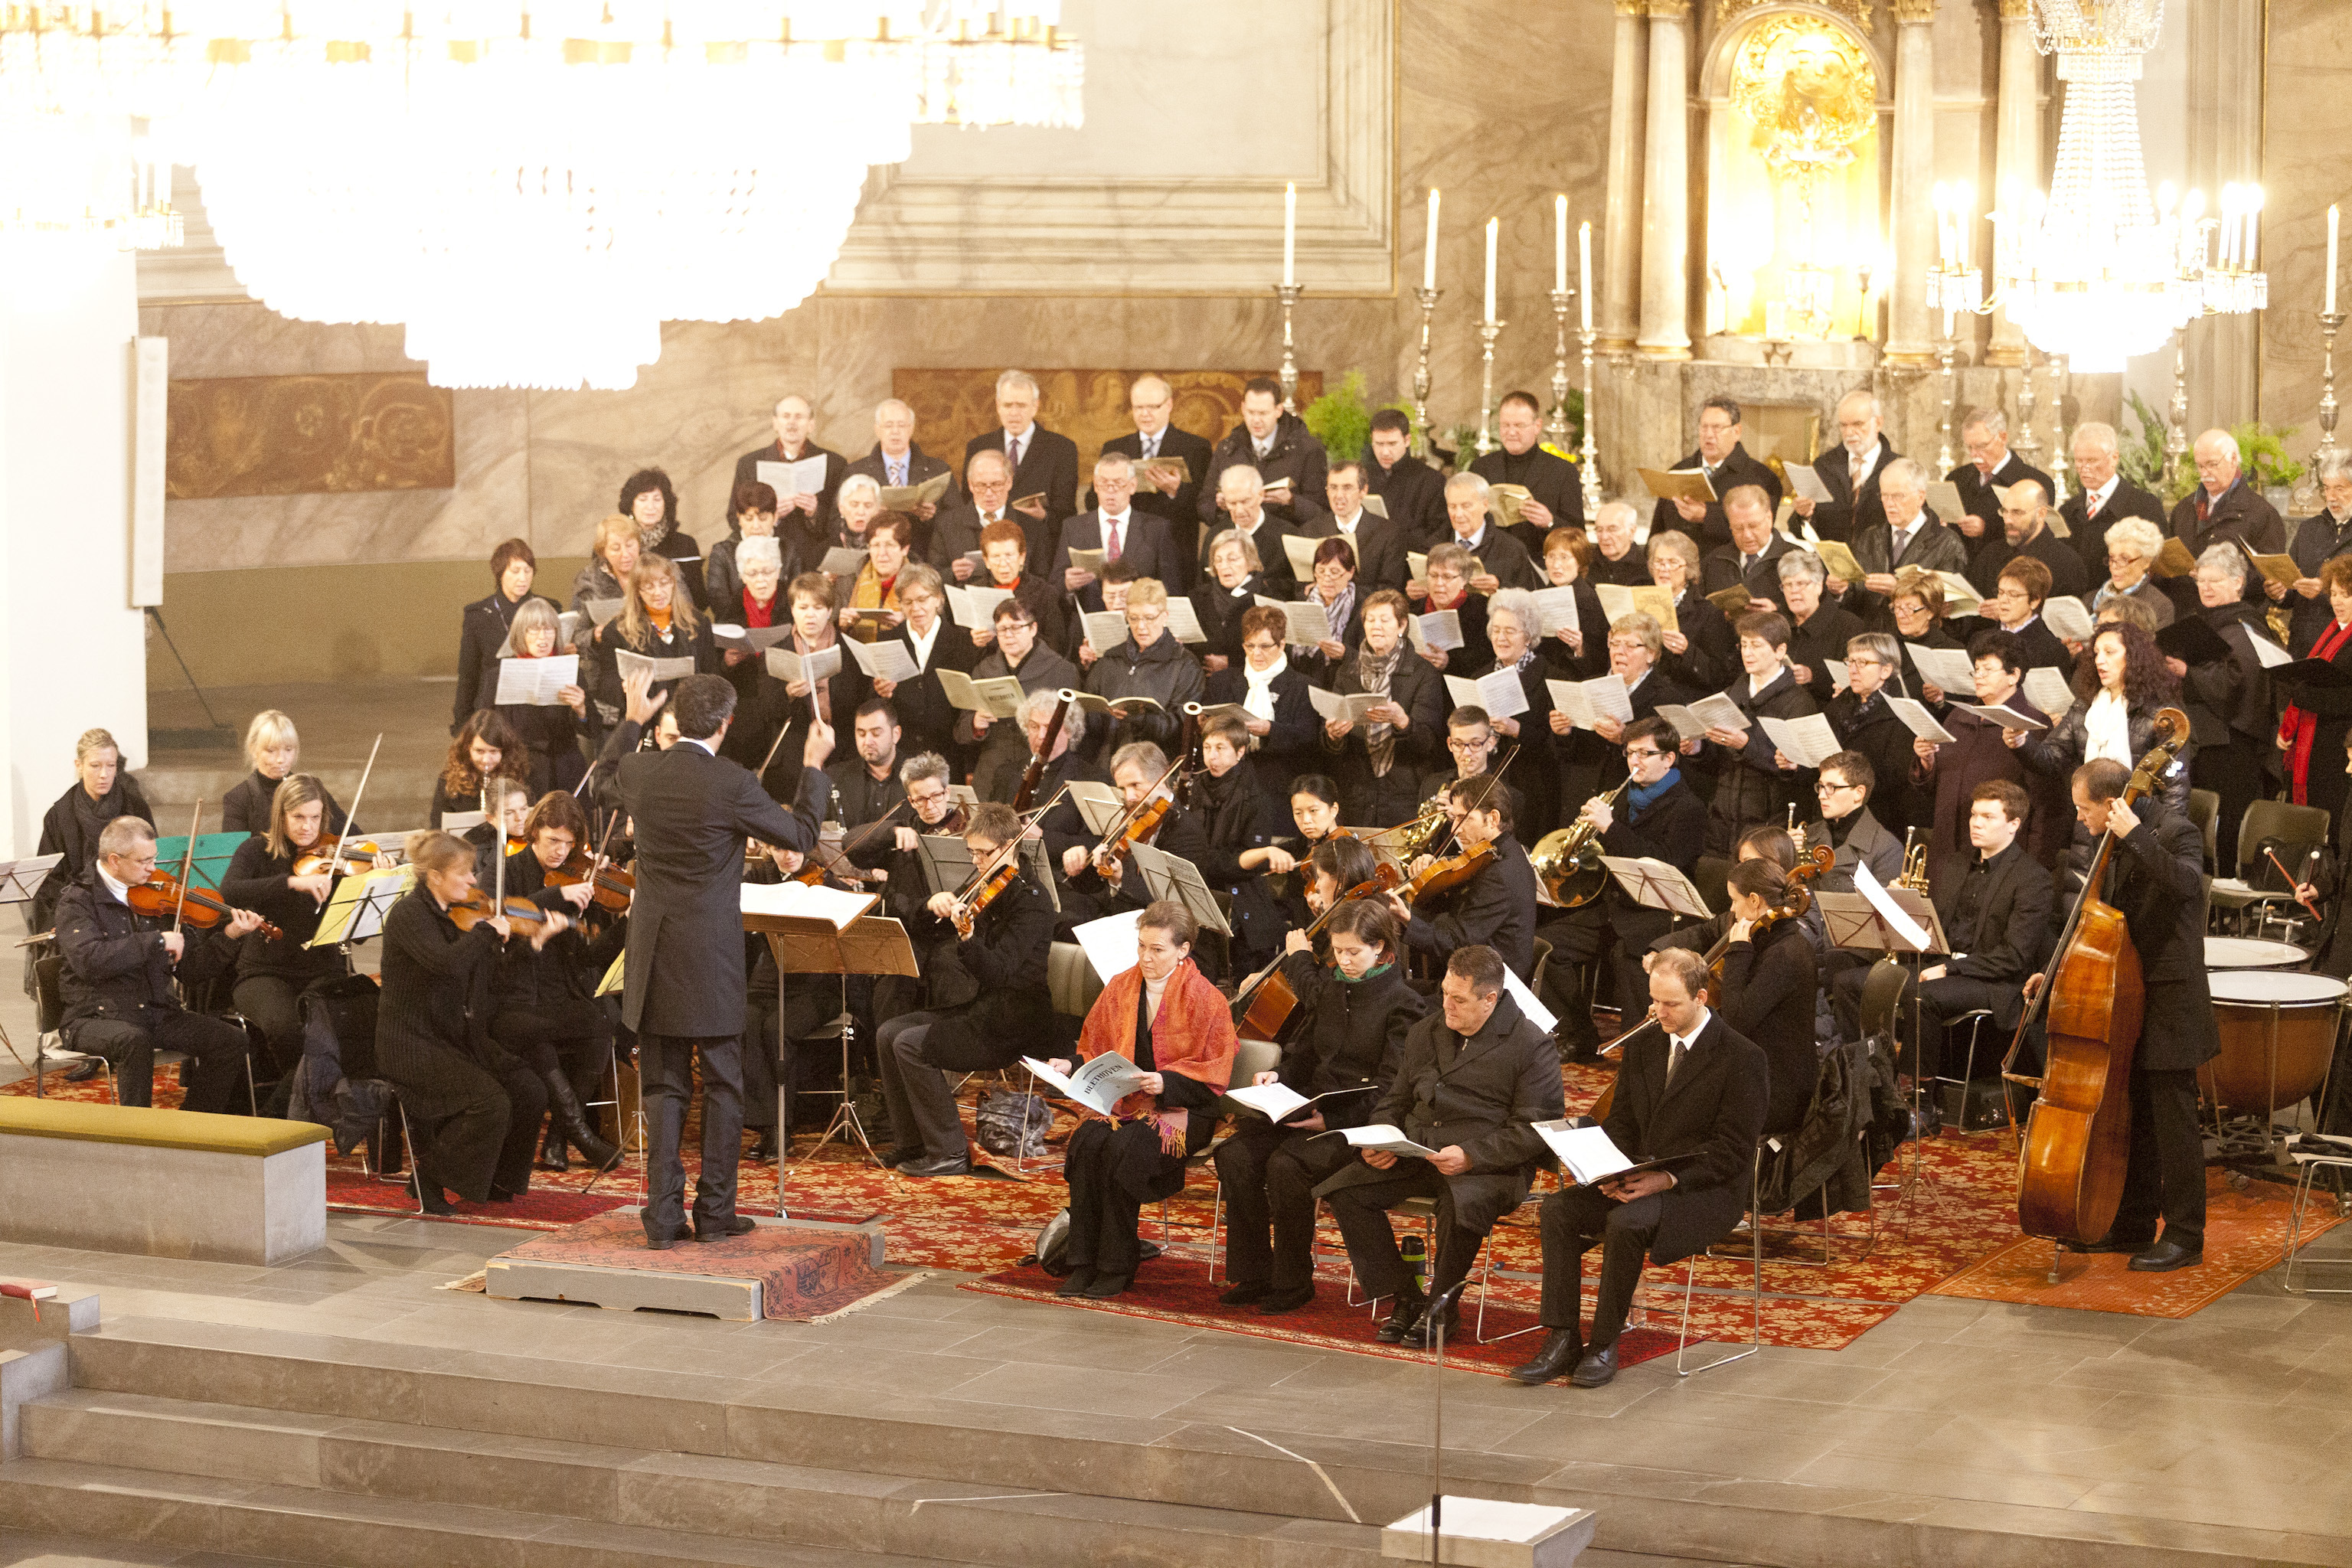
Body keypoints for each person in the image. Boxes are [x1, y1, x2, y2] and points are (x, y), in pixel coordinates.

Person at [593, 670, 830, 1247]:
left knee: (664, 1086)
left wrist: (630, 717)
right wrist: (815, 763)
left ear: (674, 717)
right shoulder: (732, 783)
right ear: (726, 724)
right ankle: (716, 1213)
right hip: (712, 956)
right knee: (724, 1085)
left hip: (652, 953)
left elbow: (601, 777)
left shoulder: (642, 769)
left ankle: (663, 1218)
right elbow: (799, 835)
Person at [1510, 947, 1766, 1388]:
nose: (1658, 1012)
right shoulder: (1646, 1043)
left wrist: (1664, 1178)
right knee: (1557, 1211)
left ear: (1702, 997)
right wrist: (1608, 1170)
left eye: (1670, 1004)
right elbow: (1625, 1123)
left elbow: (1733, 1152)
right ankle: (1562, 1337)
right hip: (1638, 1175)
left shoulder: (1741, 1057)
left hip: (1702, 1190)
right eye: (1654, 1001)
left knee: (1628, 1223)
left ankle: (1604, 1343)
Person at [1325, 944, 1563, 1348]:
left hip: (1489, 1165)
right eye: (1445, 994)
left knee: (1459, 1202)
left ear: (1491, 999)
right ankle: (1406, 1297)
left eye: (1459, 999)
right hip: (1419, 1150)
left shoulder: (1530, 1044)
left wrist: (1472, 1155)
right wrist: (1381, 1137)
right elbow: (1395, 1100)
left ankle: (1442, 1308)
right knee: (1346, 1192)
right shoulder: (1428, 1030)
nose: (1447, 1006)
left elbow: (1535, 1129)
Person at [2043, 760, 2216, 1270]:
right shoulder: (2114, 839)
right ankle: (2135, 1221)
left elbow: (2187, 887)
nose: (2080, 819)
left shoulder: (2173, 830)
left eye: (2084, 808)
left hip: (2171, 998)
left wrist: (2136, 836)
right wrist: (2056, 972)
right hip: (2130, 996)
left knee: (2175, 1122)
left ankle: (2187, 1234)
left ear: (2114, 803)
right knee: (2137, 1116)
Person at [1217, 900, 1429, 1313]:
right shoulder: (1334, 987)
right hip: (1310, 1107)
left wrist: (1330, 1118)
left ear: (1381, 949)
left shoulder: (1403, 1004)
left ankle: (1293, 1279)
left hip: (1357, 1122)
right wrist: (1280, 1076)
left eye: (1354, 952)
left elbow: (1391, 1087)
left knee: (1286, 1166)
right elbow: (1308, 1054)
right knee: (1235, 1155)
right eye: (1337, 951)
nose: (1344, 961)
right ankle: (1255, 1272)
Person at [1047, 900, 1237, 1298]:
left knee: (1122, 1149)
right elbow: (1097, 1047)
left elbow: (1215, 1077)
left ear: (1184, 950)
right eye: (1141, 947)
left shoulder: (1207, 999)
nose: (1146, 958)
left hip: (1185, 1112)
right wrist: (1070, 1064)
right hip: (1128, 1103)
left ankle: (1116, 1266)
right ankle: (1083, 1260)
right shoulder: (1121, 984)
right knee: (1087, 1144)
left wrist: (1165, 1082)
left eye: (1158, 950)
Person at [375, 828, 564, 1210]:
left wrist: (531, 943)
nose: (475, 880)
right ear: (436, 877)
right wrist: (484, 933)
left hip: (454, 1036)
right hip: (411, 1043)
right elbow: (447, 966)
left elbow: (489, 976)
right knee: (490, 1102)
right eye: (465, 873)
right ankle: (428, 1177)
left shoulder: (455, 916)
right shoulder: (410, 915)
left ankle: (498, 1179)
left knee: (529, 1090)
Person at [876, 802, 1055, 1178]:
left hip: (1012, 1016)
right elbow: (928, 932)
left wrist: (970, 939)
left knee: (909, 1045)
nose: (975, 861)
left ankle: (950, 1152)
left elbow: (1001, 973)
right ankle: (912, 1141)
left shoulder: (1033, 903)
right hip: (977, 1004)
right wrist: (931, 906)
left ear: (1010, 846)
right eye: (971, 851)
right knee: (887, 1033)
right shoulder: (984, 883)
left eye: (983, 852)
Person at [53, 815, 262, 1111]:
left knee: (231, 1041)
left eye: (154, 859)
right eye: (144, 861)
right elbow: (90, 961)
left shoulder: (159, 895)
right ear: (115, 860)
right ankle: (139, 1137)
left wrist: (230, 936)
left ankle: (192, 1124)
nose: (153, 869)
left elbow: (192, 971)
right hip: (94, 1016)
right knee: (134, 1041)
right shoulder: (77, 901)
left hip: (153, 1012)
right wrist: (156, 941)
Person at [1537, 717, 1705, 1060]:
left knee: (1628, 959)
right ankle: (1578, 1033)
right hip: (1613, 907)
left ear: (1669, 758)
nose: (1635, 761)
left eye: (1646, 753)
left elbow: (1665, 862)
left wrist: (1611, 828)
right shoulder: (1622, 797)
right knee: (1548, 947)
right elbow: (1602, 856)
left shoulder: (1689, 807)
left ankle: (1640, 1056)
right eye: (1630, 753)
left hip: (1658, 917)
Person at [1887, 780, 2051, 1127]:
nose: (1976, 822)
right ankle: (1869, 1086)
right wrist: (1902, 907)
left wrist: (1950, 969)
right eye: (1974, 814)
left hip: (1995, 981)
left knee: (1921, 996)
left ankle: (1920, 1106)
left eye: (1988, 816)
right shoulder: (1958, 862)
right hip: (1942, 965)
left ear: (2014, 824)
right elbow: (1935, 928)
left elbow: (2014, 957)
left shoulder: (2033, 878)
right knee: (1853, 982)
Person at [219, 774, 387, 1089]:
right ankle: (299, 1104)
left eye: (315, 818)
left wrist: (373, 882)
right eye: (297, 817)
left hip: (322, 968)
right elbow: (230, 892)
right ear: (280, 815)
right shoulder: (255, 851)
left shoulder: (335, 860)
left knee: (349, 1022)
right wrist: (292, 883)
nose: (307, 827)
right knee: (287, 1029)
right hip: (264, 972)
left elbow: (357, 933)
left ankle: (309, 1100)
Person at [491, 792, 626, 1174]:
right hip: (516, 989)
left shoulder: (582, 873)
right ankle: (580, 1134)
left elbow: (589, 954)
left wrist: (629, 920)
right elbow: (501, 911)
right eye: (553, 841)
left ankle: (557, 1139)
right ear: (534, 833)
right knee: (536, 1033)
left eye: (569, 844)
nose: (561, 852)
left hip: (562, 986)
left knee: (602, 1027)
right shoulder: (507, 870)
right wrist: (557, 894)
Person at [2020, 619, 2191, 840]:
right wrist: (2021, 742)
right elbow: (2052, 759)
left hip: (2139, 827)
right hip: (2088, 825)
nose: (2100, 660)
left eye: (2110, 652)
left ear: (2133, 658)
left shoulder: (2162, 715)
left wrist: (2158, 843)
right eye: (2097, 653)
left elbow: (2175, 789)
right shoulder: (2085, 706)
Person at [1913, 629, 2056, 893]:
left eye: (1987, 670)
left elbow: (2043, 802)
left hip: (1999, 855)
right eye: (1975, 670)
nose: (1978, 677)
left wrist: (2035, 862)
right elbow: (1934, 788)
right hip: (1947, 846)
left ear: (2014, 675)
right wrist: (1927, 762)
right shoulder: (1958, 717)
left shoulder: (2032, 724)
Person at [2164, 545, 2271, 869]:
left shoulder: (2247, 624)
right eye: (2200, 580)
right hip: (2202, 738)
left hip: (2231, 745)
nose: (2205, 588)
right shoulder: (2203, 620)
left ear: (2238, 582)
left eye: (2215, 581)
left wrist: (2188, 673)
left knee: (2224, 825)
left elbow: (2241, 678)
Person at [1387, 777, 1540, 982]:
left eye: (1464, 818)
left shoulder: (1500, 872)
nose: (1455, 830)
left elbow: (1458, 943)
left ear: (1493, 819)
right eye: (1455, 819)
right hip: (1473, 972)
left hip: (1486, 986)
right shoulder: (1499, 853)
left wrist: (1407, 918)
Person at [1712, 857, 1821, 1138]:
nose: (1732, 910)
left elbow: (1736, 1021)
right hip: (1761, 1071)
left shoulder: (1786, 954)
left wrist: (1737, 951)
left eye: (1734, 901)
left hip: (1778, 1089)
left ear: (1754, 900)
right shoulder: (1775, 939)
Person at [1322, 589, 1449, 828]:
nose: (1375, 626)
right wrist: (1333, 735)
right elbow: (1332, 746)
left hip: (1404, 791)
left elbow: (1430, 743)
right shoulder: (1347, 671)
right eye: (1370, 620)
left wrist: (1403, 722)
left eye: (1384, 620)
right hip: (1356, 790)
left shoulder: (1423, 673)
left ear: (1401, 626)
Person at [1700, 612, 1818, 856]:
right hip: (1721, 822)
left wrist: (1747, 745)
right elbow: (1716, 763)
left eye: (1756, 645)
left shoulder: (1799, 703)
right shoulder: (1732, 693)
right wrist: (1697, 751)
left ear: (1779, 650)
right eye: (1743, 645)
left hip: (1766, 822)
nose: (1748, 653)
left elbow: (1804, 773)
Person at [31, 727, 156, 933]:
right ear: (79, 766)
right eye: (95, 766)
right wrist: (66, 916)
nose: (104, 774)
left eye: (111, 765)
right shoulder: (59, 814)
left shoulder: (135, 807)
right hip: (80, 907)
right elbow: (49, 878)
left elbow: (149, 859)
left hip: (130, 899)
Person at [1099, 374, 1213, 588]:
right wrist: (1115, 491)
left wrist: (1176, 490)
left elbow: (1205, 506)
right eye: (1138, 407)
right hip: (1127, 552)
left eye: (1153, 407)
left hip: (1175, 555)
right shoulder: (1115, 449)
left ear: (1169, 405)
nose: (1145, 414)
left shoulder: (1195, 448)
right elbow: (1091, 499)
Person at [961, 599, 1079, 802]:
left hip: (1038, 772)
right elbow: (960, 730)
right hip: (992, 769)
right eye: (1002, 629)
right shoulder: (984, 669)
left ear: (1033, 629)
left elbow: (1074, 730)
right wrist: (975, 724)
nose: (1008, 635)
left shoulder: (1062, 670)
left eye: (1016, 628)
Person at [864, 562, 975, 766]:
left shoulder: (962, 643)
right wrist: (882, 694)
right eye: (908, 602)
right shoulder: (887, 640)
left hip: (949, 754)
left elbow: (967, 707)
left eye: (922, 599)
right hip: (901, 755)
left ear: (938, 599)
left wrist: (969, 762)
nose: (916, 609)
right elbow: (871, 704)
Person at [1204, 606, 1318, 804]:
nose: (1256, 654)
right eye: (1250, 646)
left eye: (1265, 646)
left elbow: (1309, 739)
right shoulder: (1223, 681)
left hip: (1278, 788)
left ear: (1282, 645)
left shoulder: (1304, 686)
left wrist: (1270, 730)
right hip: (1226, 788)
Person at [1083, 576, 1201, 766]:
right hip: (1105, 763)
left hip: (1153, 766)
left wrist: (1142, 719)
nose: (1141, 627)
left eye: (1149, 618)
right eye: (1134, 618)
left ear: (1165, 616)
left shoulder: (1184, 664)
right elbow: (1090, 717)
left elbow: (1182, 728)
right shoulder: (1111, 658)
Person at [965, 369, 1080, 561]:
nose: (1014, 413)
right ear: (997, 406)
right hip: (989, 551)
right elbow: (968, 502)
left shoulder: (1062, 449)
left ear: (1036, 407)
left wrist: (1044, 516)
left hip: (1039, 553)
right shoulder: (978, 446)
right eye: (1008, 405)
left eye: (1021, 406)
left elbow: (1068, 513)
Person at [1470, 587, 1560, 835]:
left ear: (1529, 636)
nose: (1501, 638)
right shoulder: (1479, 676)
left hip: (1531, 787)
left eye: (1510, 631)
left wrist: (1518, 730)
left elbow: (1557, 746)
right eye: (1496, 630)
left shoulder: (1550, 677)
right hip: (1486, 785)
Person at [2167, 428, 2285, 614]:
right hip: (2187, 614)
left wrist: (2220, 577)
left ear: (2233, 459)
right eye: (2200, 466)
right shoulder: (2184, 508)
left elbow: (2270, 574)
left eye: (2212, 464)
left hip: (2235, 617)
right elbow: (2170, 564)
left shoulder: (2261, 513)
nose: (2205, 473)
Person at [587, 554, 714, 722]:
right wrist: (623, 688)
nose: (658, 593)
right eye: (648, 586)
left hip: (691, 716)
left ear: (673, 584)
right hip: (644, 718)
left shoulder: (698, 622)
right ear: (637, 591)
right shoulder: (617, 629)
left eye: (664, 584)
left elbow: (711, 673)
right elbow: (606, 682)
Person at [1844, 459, 1968, 629]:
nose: (1889, 503)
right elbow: (1855, 597)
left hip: (1918, 639)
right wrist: (1839, 591)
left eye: (1898, 496)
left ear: (1920, 497)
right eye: (1884, 495)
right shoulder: (1870, 537)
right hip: (1872, 635)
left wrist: (1900, 589)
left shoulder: (1946, 542)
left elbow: (1948, 607)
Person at [730, 393, 847, 572]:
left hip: (814, 559)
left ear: (811, 425)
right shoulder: (749, 464)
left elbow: (842, 519)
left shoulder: (835, 463)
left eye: (799, 417)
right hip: (765, 561)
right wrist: (770, 517)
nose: (792, 423)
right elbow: (733, 515)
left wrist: (815, 512)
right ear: (775, 423)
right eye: (786, 416)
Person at [1650, 394, 1779, 555]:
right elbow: (1658, 532)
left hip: (1729, 571)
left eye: (1717, 428)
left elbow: (1762, 536)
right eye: (1704, 427)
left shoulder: (1761, 477)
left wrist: (1707, 516)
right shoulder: (1679, 471)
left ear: (1736, 431)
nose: (1709, 435)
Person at [483, 598, 589, 795]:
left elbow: (592, 729)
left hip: (566, 769)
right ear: (520, 634)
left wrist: (581, 709)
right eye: (533, 630)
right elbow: (486, 728)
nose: (543, 638)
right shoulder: (497, 676)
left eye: (549, 630)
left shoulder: (571, 671)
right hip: (520, 769)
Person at [1824, 639, 1925, 841]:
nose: (1853, 670)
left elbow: (1896, 776)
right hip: (1829, 813)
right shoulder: (1838, 704)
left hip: (1877, 819)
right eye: (1850, 662)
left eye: (1862, 663)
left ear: (1886, 671)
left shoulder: (1901, 711)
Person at [2276, 554, 2352, 821]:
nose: (2337, 601)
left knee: (2329, 822)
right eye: (2333, 593)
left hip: (2338, 747)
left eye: (2346, 594)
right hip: (2314, 740)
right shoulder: (2331, 629)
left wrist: (2304, 695)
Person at [1204, 377, 1328, 537]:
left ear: (1279, 410)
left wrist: (1291, 501)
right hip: (1239, 541)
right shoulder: (1229, 448)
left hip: (1286, 541)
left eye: (1263, 413)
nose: (1256, 420)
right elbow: (1203, 505)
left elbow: (1322, 512)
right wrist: (1220, 505)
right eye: (1251, 412)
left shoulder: (1307, 450)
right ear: (1242, 408)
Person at [1057, 453, 1180, 615]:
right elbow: (1055, 583)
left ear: (1132, 486)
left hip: (1141, 623)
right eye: (1104, 483)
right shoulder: (1073, 527)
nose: (1110, 490)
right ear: (1095, 485)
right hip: (1091, 621)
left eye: (1118, 483)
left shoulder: (1156, 529)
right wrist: (1067, 584)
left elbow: (1170, 587)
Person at [455, 539, 555, 730]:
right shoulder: (479, 615)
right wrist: (462, 723)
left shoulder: (549, 608)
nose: (523, 578)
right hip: (495, 704)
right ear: (500, 573)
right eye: (515, 571)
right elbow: (468, 674)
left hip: (539, 703)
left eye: (528, 571)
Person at [1469, 389, 1585, 545]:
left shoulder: (1562, 471)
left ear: (1537, 426)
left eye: (1519, 425)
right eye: (1505, 425)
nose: (1511, 432)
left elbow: (1579, 535)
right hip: (1491, 559)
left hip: (1540, 560)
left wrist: (1550, 522)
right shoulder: (1481, 467)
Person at [844, 397, 956, 558]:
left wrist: (932, 516)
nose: (895, 431)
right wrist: (870, 515)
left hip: (924, 557)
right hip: (874, 558)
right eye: (888, 425)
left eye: (901, 425)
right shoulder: (856, 472)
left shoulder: (938, 470)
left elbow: (957, 519)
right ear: (877, 430)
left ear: (911, 429)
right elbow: (836, 520)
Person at [1944, 409, 2053, 570]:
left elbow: (2039, 536)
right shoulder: (1957, 478)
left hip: (2011, 570)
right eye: (1969, 447)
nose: (1975, 455)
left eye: (1982, 446)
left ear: (2003, 437)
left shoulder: (2035, 482)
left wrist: (1986, 528)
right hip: (1960, 570)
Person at [2063, 420, 2169, 582]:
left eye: (2092, 461)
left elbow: (2159, 568)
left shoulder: (2144, 506)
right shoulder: (2068, 511)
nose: (2084, 468)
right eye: (2079, 460)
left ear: (2114, 458)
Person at [1787, 390, 1896, 544]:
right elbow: (1799, 533)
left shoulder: (1898, 468)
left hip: (1880, 563)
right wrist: (1804, 515)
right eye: (1844, 426)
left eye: (1858, 424)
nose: (1849, 432)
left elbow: (1916, 521)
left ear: (1878, 423)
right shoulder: (1825, 466)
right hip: (1830, 563)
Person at [220, 709, 347, 840]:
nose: (281, 759)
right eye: (271, 751)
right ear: (254, 750)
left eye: (288, 749)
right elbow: (234, 855)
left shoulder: (312, 789)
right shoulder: (238, 799)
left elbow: (352, 833)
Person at [1647, 528, 1737, 693]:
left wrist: (1687, 651)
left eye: (1673, 562)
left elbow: (1720, 676)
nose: (1664, 569)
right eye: (1659, 562)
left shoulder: (1708, 613)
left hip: (1684, 696)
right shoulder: (1639, 602)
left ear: (1688, 569)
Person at [1970, 479, 2089, 603]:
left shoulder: (2067, 563)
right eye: (2005, 511)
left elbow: (2062, 619)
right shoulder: (1990, 555)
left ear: (2041, 514)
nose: (2008, 520)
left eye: (2017, 512)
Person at [2281, 452, 2352, 655]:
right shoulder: (2308, 529)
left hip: (2344, 650)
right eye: (2327, 488)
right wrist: (2279, 592)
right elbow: (2290, 594)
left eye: (2339, 488)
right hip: (2303, 643)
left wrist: (2328, 589)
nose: (2330, 497)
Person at [970, 517, 1070, 659]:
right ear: (986, 561)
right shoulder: (974, 593)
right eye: (996, 557)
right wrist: (975, 642)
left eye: (1009, 555)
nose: (1003, 564)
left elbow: (1057, 645)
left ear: (1022, 557)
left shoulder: (1044, 593)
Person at [1304, 461, 1409, 595]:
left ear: (1363, 491)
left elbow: (1390, 590)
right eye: (1333, 488)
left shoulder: (1388, 533)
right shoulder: (1310, 530)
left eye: (1347, 488)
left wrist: (1341, 591)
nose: (1339, 495)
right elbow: (1301, 587)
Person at [1777, 550, 1864, 696]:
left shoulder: (1848, 625)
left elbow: (1855, 677)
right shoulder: (1776, 622)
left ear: (1819, 587)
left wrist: (1813, 676)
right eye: (1788, 585)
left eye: (1801, 584)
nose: (1794, 591)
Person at [618, 467, 706, 610]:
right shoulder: (615, 546)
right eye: (643, 499)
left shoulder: (685, 545)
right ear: (631, 505)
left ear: (666, 504)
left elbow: (699, 601)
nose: (650, 507)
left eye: (657, 499)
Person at [1437, 471, 1541, 592]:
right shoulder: (1434, 545)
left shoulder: (1512, 549)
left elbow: (1528, 600)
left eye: (1466, 506)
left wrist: (1500, 587)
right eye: (1452, 507)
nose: (1458, 514)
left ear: (1485, 505)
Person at [427, 710, 531, 828]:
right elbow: (437, 827)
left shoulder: (522, 774)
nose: (486, 760)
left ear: (504, 751)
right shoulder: (448, 779)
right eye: (479, 751)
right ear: (467, 749)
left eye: (494, 751)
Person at [1363, 408, 1449, 548]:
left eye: (1392, 444)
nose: (1385, 452)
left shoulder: (1432, 481)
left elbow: (1439, 533)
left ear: (1407, 440)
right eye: (1379, 444)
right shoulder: (1364, 475)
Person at [1287, 535, 1367, 686]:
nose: (1326, 579)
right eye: (1321, 571)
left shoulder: (1363, 606)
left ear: (1350, 572)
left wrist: (1345, 654)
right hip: (1304, 678)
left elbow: (1373, 658)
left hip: (1343, 682)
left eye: (1335, 572)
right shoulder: (1303, 600)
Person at [1700, 487, 1798, 609]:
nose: (1747, 535)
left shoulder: (1796, 558)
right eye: (1738, 528)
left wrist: (1777, 612)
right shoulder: (1714, 561)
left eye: (1753, 526)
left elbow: (1814, 613)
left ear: (1769, 518)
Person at [1192, 527, 1272, 672]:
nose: (1224, 566)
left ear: (1250, 562)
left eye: (1232, 559)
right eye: (1218, 560)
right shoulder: (1198, 597)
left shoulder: (1267, 600)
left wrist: (1232, 664)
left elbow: (1274, 652)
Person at [827, 699, 908, 835]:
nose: (867, 741)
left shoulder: (920, 776)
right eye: (861, 734)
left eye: (876, 733)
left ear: (896, 734)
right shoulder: (835, 776)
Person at [1413, 543, 1494, 674]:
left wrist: (1448, 663)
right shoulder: (1415, 609)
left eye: (1447, 577)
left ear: (1464, 580)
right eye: (1433, 575)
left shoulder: (1482, 610)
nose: (1439, 583)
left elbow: (1484, 662)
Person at [1985, 556, 2074, 674]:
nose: (2003, 600)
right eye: (2001, 592)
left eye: (2013, 595)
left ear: (2034, 601)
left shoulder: (2051, 651)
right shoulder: (1982, 640)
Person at [2088, 518, 2177, 631]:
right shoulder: (2090, 599)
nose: (2114, 566)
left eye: (2124, 559)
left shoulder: (2160, 606)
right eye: (2111, 558)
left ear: (2146, 562)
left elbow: (2153, 648)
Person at [841, 506, 915, 642]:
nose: (882, 554)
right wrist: (843, 625)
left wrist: (909, 623)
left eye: (890, 545)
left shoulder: (920, 583)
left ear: (905, 549)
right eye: (875, 545)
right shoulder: (849, 581)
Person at [570, 513, 643, 627]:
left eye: (630, 545)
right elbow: (577, 633)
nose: (625, 554)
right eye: (616, 548)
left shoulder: (657, 571)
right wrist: (594, 636)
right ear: (603, 552)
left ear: (639, 544)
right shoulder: (587, 579)